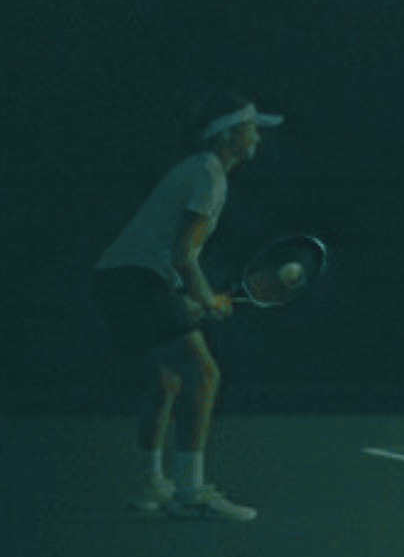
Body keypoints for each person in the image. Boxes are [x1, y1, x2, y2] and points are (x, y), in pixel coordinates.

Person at [90, 92, 280, 522]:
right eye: (252, 128)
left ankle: (152, 485)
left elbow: (170, 258)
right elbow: (182, 253)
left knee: (165, 383)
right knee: (204, 373)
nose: (258, 138)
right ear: (229, 133)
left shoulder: (195, 169)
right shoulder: (209, 175)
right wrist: (206, 299)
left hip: (113, 280)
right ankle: (192, 491)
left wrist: (194, 297)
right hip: (139, 280)